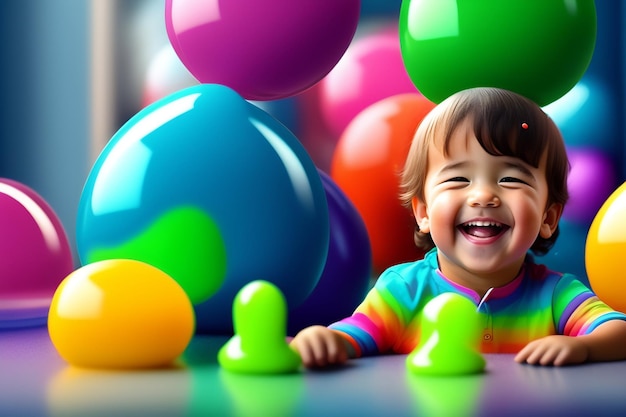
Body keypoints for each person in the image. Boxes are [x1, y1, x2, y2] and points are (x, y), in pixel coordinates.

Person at [290, 87, 626, 368]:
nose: (483, 195)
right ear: (423, 212)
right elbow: (353, 336)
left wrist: (584, 348)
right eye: (458, 179)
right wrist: (323, 340)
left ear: (548, 218)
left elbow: (617, 329)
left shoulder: (555, 296)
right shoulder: (403, 292)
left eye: (510, 178)